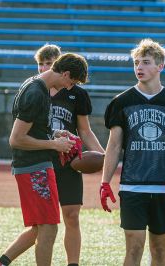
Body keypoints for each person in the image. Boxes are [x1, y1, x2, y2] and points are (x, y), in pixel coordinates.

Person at [100, 39, 165, 266]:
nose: (139, 67)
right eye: (136, 62)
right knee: (134, 247)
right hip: (132, 186)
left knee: (160, 250)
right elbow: (113, 146)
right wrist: (105, 182)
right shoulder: (121, 101)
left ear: (160, 66)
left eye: (146, 62)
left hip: (164, 186)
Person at [0, 53, 88, 266]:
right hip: (34, 167)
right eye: (70, 82)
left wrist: (57, 135)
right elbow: (16, 139)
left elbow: (34, 130)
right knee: (49, 227)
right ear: (64, 73)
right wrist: (53, 145)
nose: (67, 87)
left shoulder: (37, 85)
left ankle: (0, 264)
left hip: (33, 165)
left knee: (40, 226)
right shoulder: (36, 92)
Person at [34, 44, 105, 266]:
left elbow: (84, 130)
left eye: (49, 62)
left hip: (68, 160)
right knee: (43, 223)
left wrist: (103, 154)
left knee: (72, 215)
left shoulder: (76, 92)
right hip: (41, 160)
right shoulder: (34, 90)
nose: (45, 67)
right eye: (41, 64)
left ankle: (72, 263)